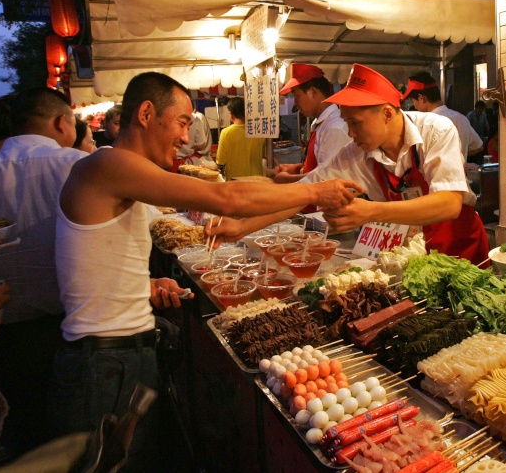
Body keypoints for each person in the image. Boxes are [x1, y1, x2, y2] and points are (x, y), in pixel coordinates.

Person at [47, 72, 360, 471]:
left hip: (118, 357)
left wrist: (142, 285)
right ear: (146, 113)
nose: (185, 136)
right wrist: (315, 192)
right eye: (181, 122)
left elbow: (93, 255)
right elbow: (225, 197)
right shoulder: (109, 164)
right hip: (106, 366)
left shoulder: (113, 171)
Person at [210, 64, 490, 265]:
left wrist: (370, 211)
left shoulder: (436, 130)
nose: (351, 133)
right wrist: (243, 227)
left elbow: (450, 203)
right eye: (346, 123)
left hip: (461, 251)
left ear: (387, 113)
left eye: (356, 123)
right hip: (413, 257)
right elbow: (304, 193)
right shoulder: (354, 153)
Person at [0, 87, 88, 461]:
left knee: (24, 434)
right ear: (61, 122)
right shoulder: (76, 165)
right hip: (69, 330)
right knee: (75, 435)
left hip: (6, 336)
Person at [269, 63, 352, 183]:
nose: (295, 103)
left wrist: (287, 179)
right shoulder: (321, 123)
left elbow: (328, 178)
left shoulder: (335, 128)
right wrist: (298, 168)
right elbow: (320, 167)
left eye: (297, 96)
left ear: (313, 92)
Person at [402, 71, 483, 162]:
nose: (415, 107)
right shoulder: (461, 118)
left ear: (421, 98)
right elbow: (479, 147)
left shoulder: (425, 124)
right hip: (458, 175)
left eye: (413, 101)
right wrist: (459, 158)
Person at [215, 97, 266, 180]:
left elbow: (220, 162)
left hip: (236, 182)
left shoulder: (226, 133)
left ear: (231, 114)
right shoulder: (258, 132)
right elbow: (264, 155)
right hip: (257, 181)